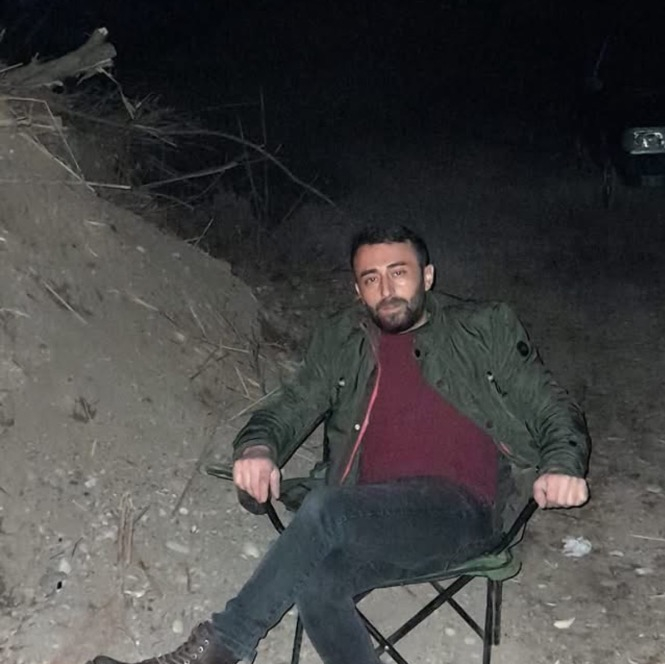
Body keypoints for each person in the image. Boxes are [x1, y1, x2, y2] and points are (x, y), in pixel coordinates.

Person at [89, 225, 591, 664]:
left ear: (427, 276)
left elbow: (551, 406)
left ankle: (223, 647)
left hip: (459, 514)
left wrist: (562, 463)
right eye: (371, 279)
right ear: (357, 290)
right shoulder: (341, 339)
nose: (386, 290)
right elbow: (294, 403)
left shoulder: (483, 329)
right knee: (317, 580)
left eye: (399, 273)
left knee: (326, 509)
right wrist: (258, 447)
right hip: (371, 514)